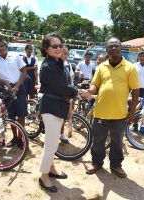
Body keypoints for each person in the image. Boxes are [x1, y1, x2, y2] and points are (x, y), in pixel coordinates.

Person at [84, 37, 139, 178]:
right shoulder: (101, 67)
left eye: (116, 46)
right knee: (98, 140)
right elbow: (95, 84)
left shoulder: (130, 67)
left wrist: (132, 112)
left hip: (119, 114)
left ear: (121, 48)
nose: (113, 49)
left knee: (117, 141)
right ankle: (96, 162)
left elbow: (135, 91)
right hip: (100, 112)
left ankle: (115, 165)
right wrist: (89, 91)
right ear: (107, 49)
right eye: (110, 47)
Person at [38, 33, 86, 192]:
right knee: (51, 145)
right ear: (46, 48)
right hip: (51, 107)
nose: (58, 48)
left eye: (60, 45)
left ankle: (50, 168)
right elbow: (62, 87)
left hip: (58, 105)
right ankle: (44, 176)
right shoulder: (48, 66)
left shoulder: (57, 62)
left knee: (52, 142)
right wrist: (77, 91)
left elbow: (65, 86)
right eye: (54, 46)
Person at [0, 39, 27, 148]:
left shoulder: (15, 56)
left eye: (2, 46)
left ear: (6, 46)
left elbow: (24, 71)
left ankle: (21, 138)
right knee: (11, 116)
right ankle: (15, 137)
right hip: (6, 91)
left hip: (19, 88)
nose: (1, 48)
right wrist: (5, 82)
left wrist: (17, 86)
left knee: (21, 115)